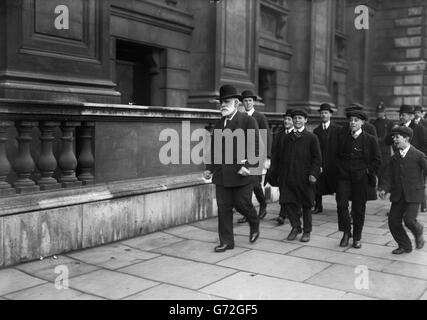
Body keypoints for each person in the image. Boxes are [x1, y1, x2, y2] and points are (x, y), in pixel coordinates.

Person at [203, 84, 260, 252]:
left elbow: (255, 146)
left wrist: (248, 165)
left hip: (241, 173)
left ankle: (254, 222)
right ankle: (227, 242)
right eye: (221, 102)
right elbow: (214, 150)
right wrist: (209, 168)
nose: (222, 105)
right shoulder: (219, 124)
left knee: (242, 205)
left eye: (226, 101)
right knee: (223, 208)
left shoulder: (247, 120)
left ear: (236, 103)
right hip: (222, 175)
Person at [272, 109, 321, 242]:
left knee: (306, 205)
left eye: (300, 118)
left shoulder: (311, 137)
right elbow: (281, 157)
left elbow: (317, 158)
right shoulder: (287, 137)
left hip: (305, 177)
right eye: (295, 118)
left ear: (305, 120)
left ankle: (307, 231)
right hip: (288, 176)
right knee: (288, 202)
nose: (297, 121)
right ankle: (295, 226)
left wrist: (313, 174)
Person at [335, 110, 381, 249]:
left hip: (361, 179)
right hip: (344, 178)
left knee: (358, 208)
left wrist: (366, 171)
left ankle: (357, 237)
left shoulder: (370, 139)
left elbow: (377, 160)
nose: (353, 123)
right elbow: (336, 157)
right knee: (341, 205)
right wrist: (341, 169)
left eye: (356, 120)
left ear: (362, 122)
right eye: (351, 120)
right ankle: (346, 232)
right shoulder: (342, 137)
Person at [379, 126, 426, 254]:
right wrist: (384, 188)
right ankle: (405, 245)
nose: (394, 139)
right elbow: (388, 176)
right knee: (393, 221)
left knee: (409, 220)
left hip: (414, 194)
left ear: (406, 138)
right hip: (398, 195)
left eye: (397, 137)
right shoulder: (394, 158)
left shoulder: (418, 155)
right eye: (393, 137)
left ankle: (418, 230)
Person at [237, 90, 272, 223]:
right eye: (245, 101)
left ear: (253, 102)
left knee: (255, 185)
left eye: (250, 100)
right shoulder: (240, 117)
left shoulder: (260, 117)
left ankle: (262, 205)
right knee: (244, 186)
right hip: (243, 156)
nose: (247, 103)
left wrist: (267, 156)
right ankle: (247, 213)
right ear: (242, 102)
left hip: (256, 155)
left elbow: (267, 136)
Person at [312, 103, 341, 214]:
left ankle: (340, 207)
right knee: (317, 185)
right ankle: (318, 206)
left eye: (326, 113)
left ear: (330, 115)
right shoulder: (316, 131)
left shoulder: (338, 129)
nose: (324, 115)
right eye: (322, 113)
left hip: (334, 163)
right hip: (322, 163)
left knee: (338, 186)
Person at [268, 109, 294, 225]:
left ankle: (288, 213)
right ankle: (283, 214)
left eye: (289, 119)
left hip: (294, 169)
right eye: (285, 119)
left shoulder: (298, 134)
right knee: (283, 191)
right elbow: (274, 151)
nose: (286, 121)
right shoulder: (279, 133)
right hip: (281, 169)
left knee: (292, 191)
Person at [370, 102, 394, 191]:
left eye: (381, 112)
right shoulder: (374, 123)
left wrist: (392, 149)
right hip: (377, 147)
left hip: (386, 148)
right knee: (378, 167)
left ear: (384, 112)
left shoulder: (389, 123)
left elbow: (391, 136)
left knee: (386, 167)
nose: (379, 114)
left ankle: (384, 186)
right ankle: (379, 185)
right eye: (378, 112)